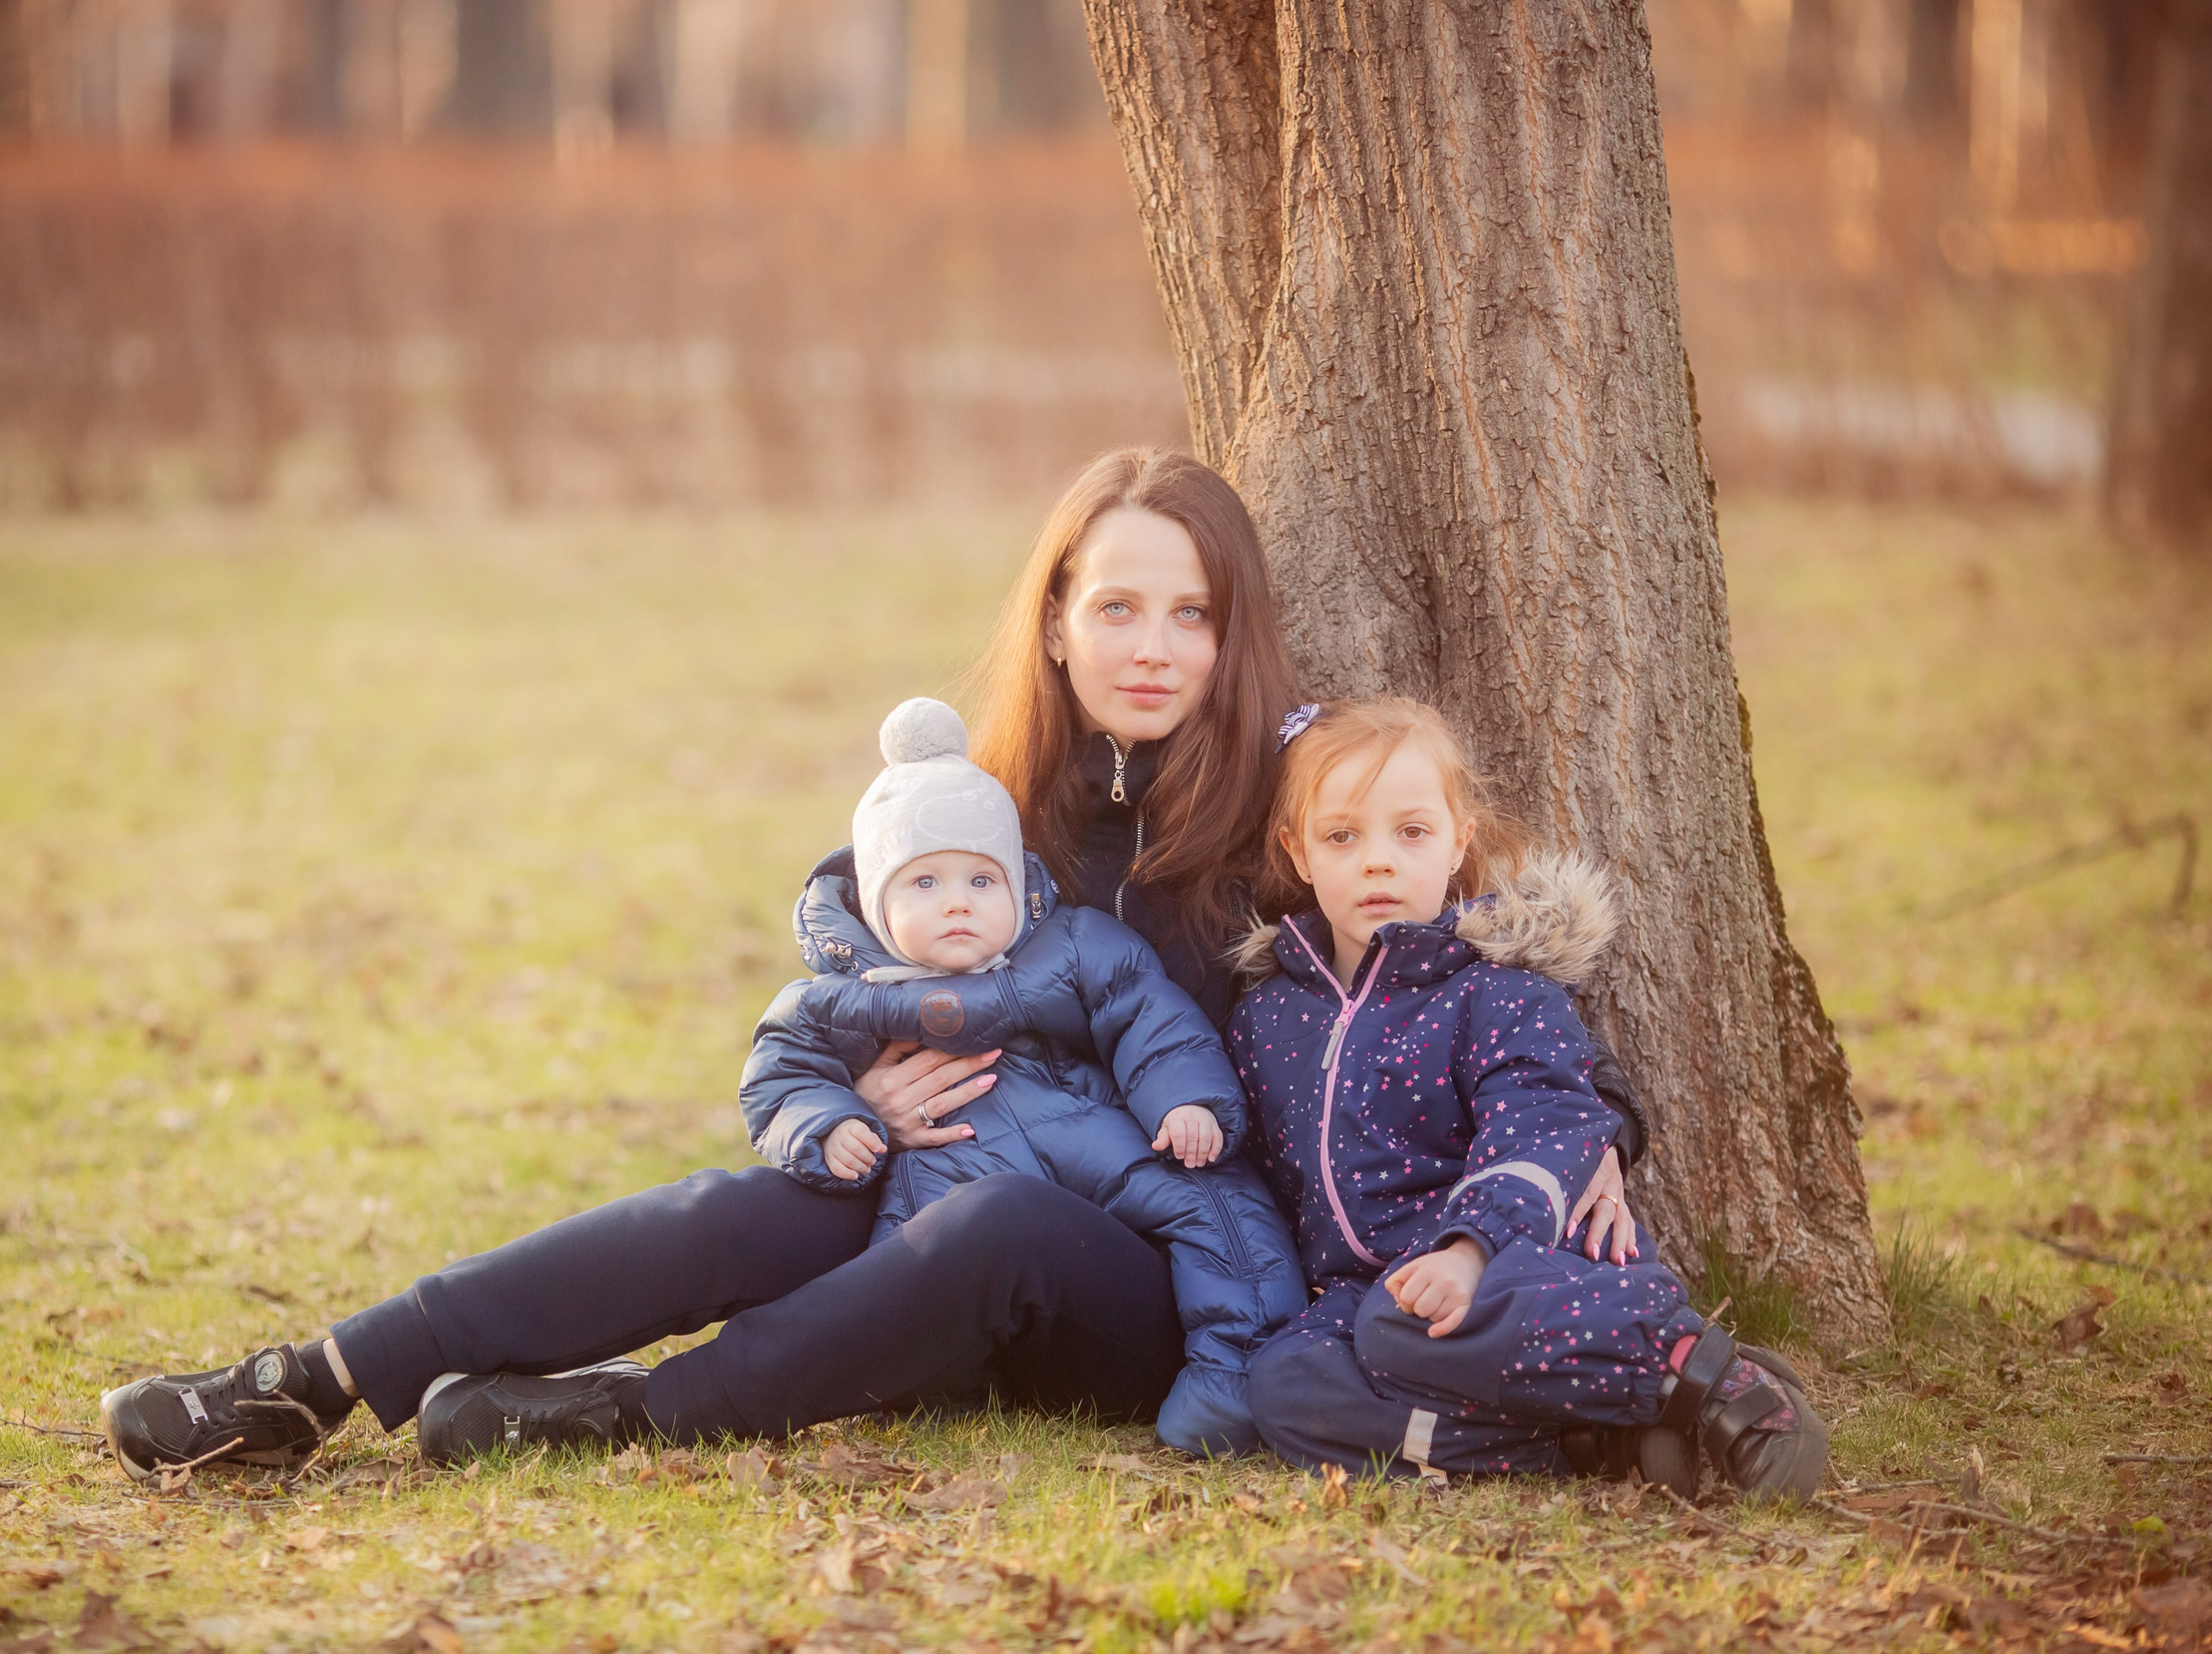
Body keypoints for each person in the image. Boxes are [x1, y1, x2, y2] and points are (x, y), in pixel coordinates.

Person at [97, 448, 1649, 1480]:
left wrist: (1605, 1129)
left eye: (1192, 610)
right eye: (1115, 604)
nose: (1153, 643)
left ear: (1236, 634)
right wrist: (865, 1081)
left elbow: (1482, 972)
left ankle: (637, 1412)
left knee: (1003, 1222)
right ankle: (315, 1376)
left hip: (1180, 1277)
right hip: (948, 1179)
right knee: (772, 1196)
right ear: (1052, 621)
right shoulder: (990, 806)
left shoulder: (1298, 810)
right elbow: (847, 947)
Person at [1229, 698, 1828, 1499]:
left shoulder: (1493, 989)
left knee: (1398, 1321)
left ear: (1458, 843)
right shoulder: (1268, 1018)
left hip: (1516, 1261)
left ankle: (1714, 1376)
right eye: (1343, 836)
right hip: (1362, 1296)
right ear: (1297, 851)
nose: (1378, 862)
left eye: (1410, 832)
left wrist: (1470, 1249)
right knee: (1282, 1382)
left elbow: (1546, 1116)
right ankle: (1581, 1440)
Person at [738, 695, 1303, 1454]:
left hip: (1086, 1132)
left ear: (1016, 885)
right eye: (925, 883)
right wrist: (831, 1121)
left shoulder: (1070, 947)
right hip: (947, 1167)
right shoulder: (841, 1000)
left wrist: (1187, 1100)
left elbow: (1148, 1016)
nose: (959, 904)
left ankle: (1231, 1378)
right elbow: (780, 1076)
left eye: (981, 881)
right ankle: (922, 1385)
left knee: (1215, 1202)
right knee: (905, 1269)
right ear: (875, 905)